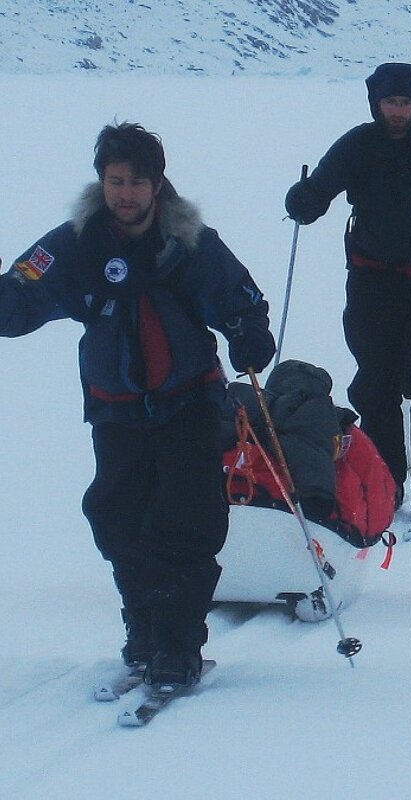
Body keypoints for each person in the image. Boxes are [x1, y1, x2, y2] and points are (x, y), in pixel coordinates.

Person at [0, 123, 276, 686]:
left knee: (187, 522)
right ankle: (145, 628)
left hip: (188, 403)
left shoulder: (189, 241)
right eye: (114, 181)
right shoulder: (72, 244)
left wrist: (249, 331)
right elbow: (20, 298)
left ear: (157, 185)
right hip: (114, 408)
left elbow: (240, 298)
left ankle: (178, 646)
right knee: (118, 518)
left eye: (135, 182)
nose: (124, 193)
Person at [285, 62, 411, 515]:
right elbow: (321, 189)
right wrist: (303, 202)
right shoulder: (356, 145)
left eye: (406, 102)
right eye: (391, 102)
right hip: (371, 281)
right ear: (376, 102)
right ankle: (387, 482)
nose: (399, 111)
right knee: (376, 386)